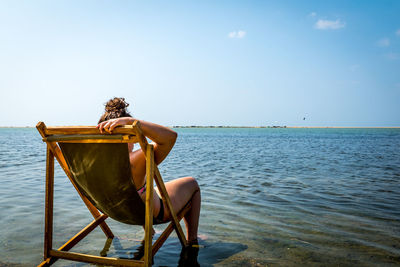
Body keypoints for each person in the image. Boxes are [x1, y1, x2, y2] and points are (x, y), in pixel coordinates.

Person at [96, 97, 201, 247]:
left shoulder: (93, 162)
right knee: (193, 184)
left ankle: (149, 232)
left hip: (116, 211)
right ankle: (192, 241)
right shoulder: (136, 161)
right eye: (133, 135)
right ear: (130, 135)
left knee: (141, 190)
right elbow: (170, 137)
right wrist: (134, 123)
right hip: (153, 213)